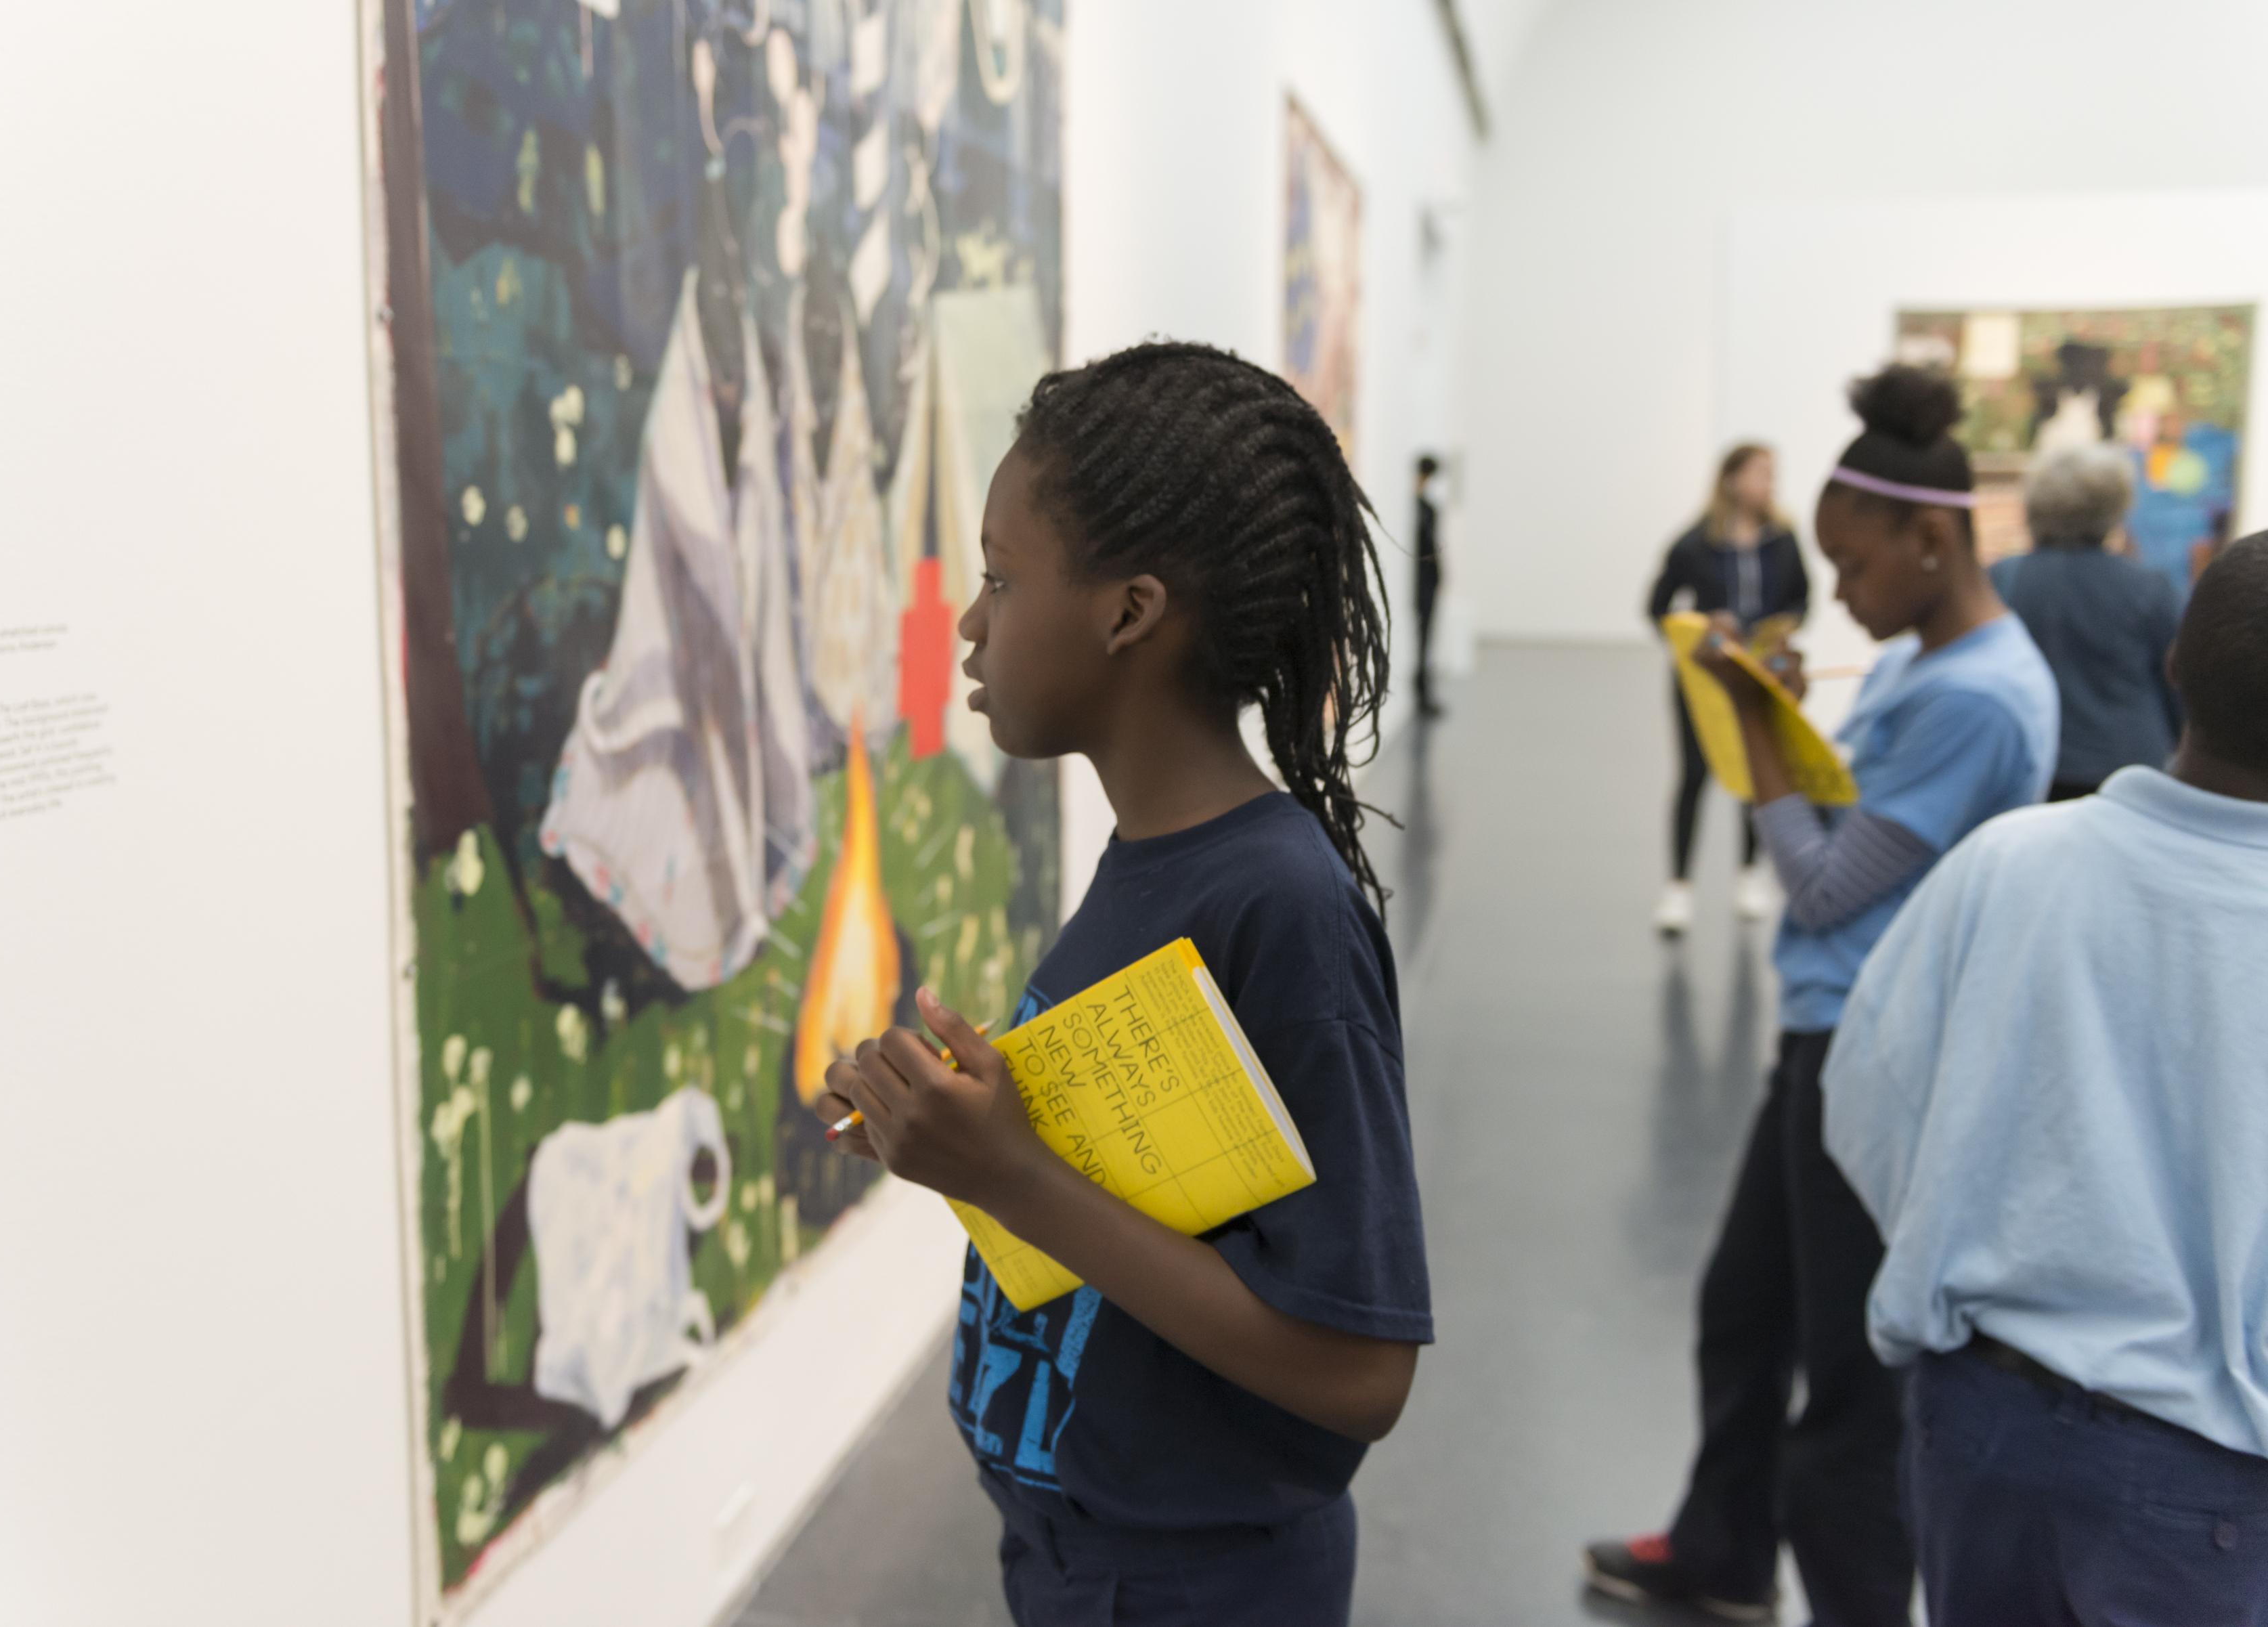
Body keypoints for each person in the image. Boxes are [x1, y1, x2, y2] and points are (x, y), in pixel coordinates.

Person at [816, 341, 1433, 1627]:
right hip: (1076, 1555)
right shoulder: (1154, 857)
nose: (972, 623)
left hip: (1198, 1588)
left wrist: (1011, 1172)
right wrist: (956, 1123)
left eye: (999, 576)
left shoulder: (1282, 904)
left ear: (1130, 610)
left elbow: (1363, 1371)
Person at [1586, 366, 2059, 1625]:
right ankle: (1725, 1550)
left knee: (1850, 1382)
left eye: (1850, 565)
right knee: (1742, 1311)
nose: (1837, 590)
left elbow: (1830, 882)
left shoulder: (1977, 692)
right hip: (1828, 1040)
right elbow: (1856, 818)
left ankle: (1847, 1597)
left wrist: (1749, 738)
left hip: (1876, 1054)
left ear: (1932, 537)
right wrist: (1794, 732)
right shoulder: (1925, 658)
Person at [1824, 533, 2268, 1625]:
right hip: (2211, 1477)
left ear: (2171, 662)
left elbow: (1868, 1108)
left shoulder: (2007, 862)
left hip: (1981, 1427)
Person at [1647, 444, 1811, 934]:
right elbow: (1658, 606)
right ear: (1733, 479)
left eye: (1772, 475)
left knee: (1754, 773)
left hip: (1760, 675)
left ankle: (1748, 874)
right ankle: (1678, 887)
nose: (1769, 485)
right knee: (1694, 774)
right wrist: (1695, 637)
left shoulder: (1782, 539)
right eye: (1761, 474)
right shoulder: (1695, 543)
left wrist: (1784, 629)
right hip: (1703, 679)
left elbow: (1802, 598)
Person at [1991, 443, 2183, 800]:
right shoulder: (2147, 587)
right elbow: (2178, 685)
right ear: (2114, 506)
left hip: (2028, 766)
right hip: (2127, 772)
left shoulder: (2002, 580)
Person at [1414, 454, 1446, 718]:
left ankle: (1423, 691)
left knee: (1426, 637)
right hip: (1423, 582)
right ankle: (1421, 691)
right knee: (1423, 636)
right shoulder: (1419, 508)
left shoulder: (1424, 508)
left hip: (1427, 580)